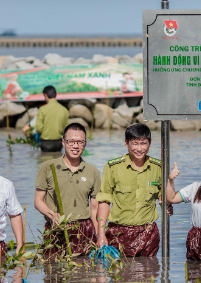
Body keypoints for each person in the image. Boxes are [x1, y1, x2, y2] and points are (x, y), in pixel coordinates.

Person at [95, 123, 172, 257]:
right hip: (118, 233)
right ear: (126, 143)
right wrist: (101, 235)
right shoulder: (113, 167)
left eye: (143, 143)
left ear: (150, 143)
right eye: (135, 143)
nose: (139, 148)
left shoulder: (158, 167)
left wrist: (167, 204)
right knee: (119, 275)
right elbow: (104, 201)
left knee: (149, 273)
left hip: (148, 233)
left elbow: (163, 197)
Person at [34, 122, 101, 259]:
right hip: (56, 227)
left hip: (83, 229)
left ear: (85, 144)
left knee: (84, 274)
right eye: (71, 141)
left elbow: (94, 209)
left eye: (80, 142)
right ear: (63, 143)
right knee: (54, 274)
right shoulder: (48, 167)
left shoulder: (92, 171)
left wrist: (98, 235)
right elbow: (38, 201)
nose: (75, 146)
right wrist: (52, 215)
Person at [36, 85, 69, 153]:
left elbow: (38, 128)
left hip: (46, 143)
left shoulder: (42, 109)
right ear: (55, 95)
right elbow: (67, 128)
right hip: (59, 143)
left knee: (46, 162)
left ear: (45, 95)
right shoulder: (64, 110)